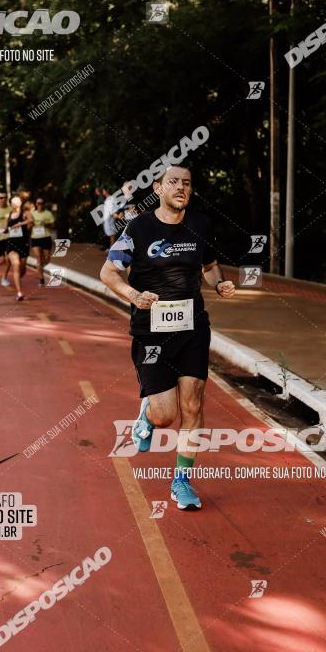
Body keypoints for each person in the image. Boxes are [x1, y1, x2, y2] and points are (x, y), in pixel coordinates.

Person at [100, 163, 235, 510]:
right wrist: (133, 296)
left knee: (193, 403)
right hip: (152, 332)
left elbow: (208, 266)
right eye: (173, 182)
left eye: (187, 183)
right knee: (166, 415)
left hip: (192, 326)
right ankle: (149, 413)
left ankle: (182, 481)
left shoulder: (201, 225)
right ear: (158, 188)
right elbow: (108, 271)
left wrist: (218, 283)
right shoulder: (139, 227)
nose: (181, 188)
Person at [1, 196, 33, 300]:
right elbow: (6, 229)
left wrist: (20, 223)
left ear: (19, 204)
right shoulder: (8, 215)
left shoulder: (25, 214)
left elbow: (31, 221)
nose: (14, 204)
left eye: (16, 202)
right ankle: (19, 292)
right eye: (13, 203)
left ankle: (18, 278)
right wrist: (3, 231)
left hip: (23, 244)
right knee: (16, 264)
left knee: (22, 268)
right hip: (12, 244)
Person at [30, 197, 55, 286]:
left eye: (41, 203)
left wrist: (46, 224)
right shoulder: (32, 214)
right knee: (38, 258)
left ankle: (41, 267)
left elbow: (53, 226)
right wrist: (30, 224)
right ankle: (41, 279)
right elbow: (28, 226)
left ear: (44, 204)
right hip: (35, 238)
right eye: (38, 203)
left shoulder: (48, 214)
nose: (40, 205)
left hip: (46, 238)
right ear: (36, 204)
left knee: (47, 259)